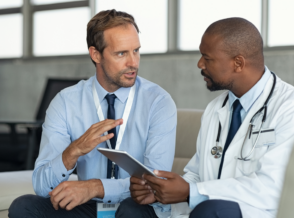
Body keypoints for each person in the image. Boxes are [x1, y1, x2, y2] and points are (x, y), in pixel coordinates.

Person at [122, 18, 294, 218]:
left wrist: (191, 192)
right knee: (132, 208)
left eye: (207, 58)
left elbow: (272, 188)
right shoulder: (215, 108)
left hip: (256, 212)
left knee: (211, 212)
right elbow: (197, 174)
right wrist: (161, 190)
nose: (199, 64)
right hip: (206, 208)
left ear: (238, 63)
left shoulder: (291, 109)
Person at [8, 9, 177, 218]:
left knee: (131, 211)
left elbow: (154, 184)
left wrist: (95, 187)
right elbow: (42, 186)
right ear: (96, 54)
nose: (133, 62)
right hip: (92, 208)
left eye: (136, 50)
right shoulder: (66, 102)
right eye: (121, 53)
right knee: (23, 207)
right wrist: (73, 151)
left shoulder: (158, 102)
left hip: (137, 206)